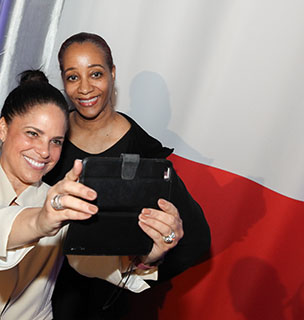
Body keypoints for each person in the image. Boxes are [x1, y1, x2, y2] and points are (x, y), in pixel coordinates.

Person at [0, 70, 171, 320]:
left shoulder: (61, 204)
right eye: (33, 134)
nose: (44, 151)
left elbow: (102, 263)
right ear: (3, 129)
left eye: (56, 141)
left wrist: (150, 253)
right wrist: (39, 222)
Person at [43, 32, 211, 319]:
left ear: (112, 73)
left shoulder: (145, 154)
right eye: (73, 77)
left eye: (95, 74)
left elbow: (195, 241)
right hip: (40, 301)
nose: (84, 88)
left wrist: (145, 263)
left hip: (108, 306)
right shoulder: (49, 139)